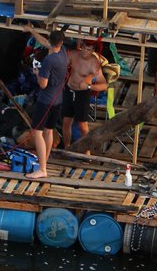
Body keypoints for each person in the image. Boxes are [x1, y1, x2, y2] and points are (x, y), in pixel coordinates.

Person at [24, 26, 68, 179]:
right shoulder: (63, 53)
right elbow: (45, 42)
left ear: (51, 41)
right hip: (58, 99)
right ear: (61, 42)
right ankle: (44, 161)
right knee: (49, 130)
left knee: (37, 132)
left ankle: (42, 169)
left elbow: (43, 84)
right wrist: (32, 30)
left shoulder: (48, 61)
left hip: (46, 101)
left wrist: (37, 73)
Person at [62, 39, 105, 150]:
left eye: (89, 50)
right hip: (69, 89)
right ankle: (67, 148)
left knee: (82, 125)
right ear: (81, 46)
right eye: (84, 48)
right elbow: (62, 67)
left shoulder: (94, 63)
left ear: (92, 51)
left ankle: (87, 151)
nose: (85, 51)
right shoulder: (73, 54)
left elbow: (104, 85)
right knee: (66, 121)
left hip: (83, 93)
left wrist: (89, 86)